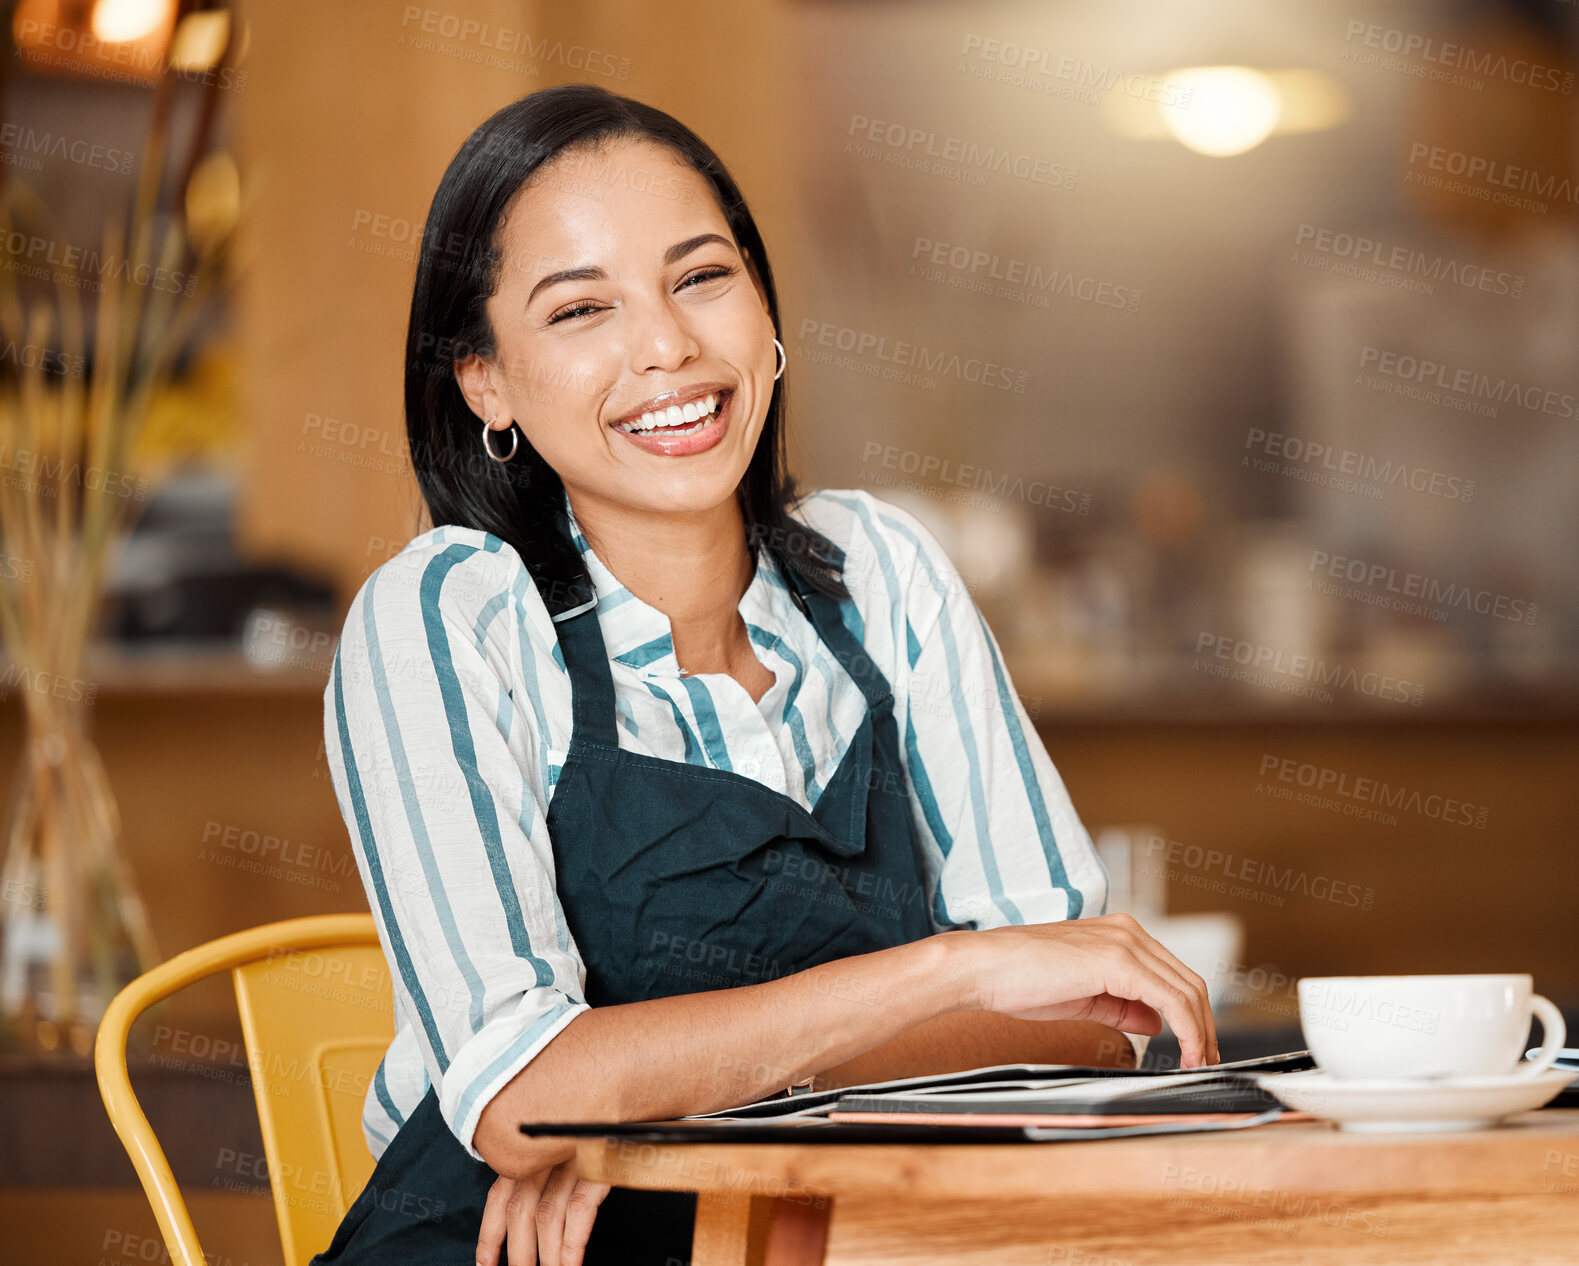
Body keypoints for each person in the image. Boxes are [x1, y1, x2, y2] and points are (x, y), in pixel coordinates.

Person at [316, 82, 1218, 1266]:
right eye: (581, 309)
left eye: (700, 277)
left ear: (764, 305)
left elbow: (1088, 1021)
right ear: (485, 382)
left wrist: (658, 1110)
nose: (667, 347)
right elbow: (521, 1101)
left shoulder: (878, 571)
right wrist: (950, 969)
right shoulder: (450, 616)